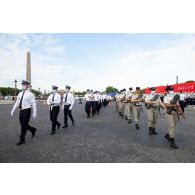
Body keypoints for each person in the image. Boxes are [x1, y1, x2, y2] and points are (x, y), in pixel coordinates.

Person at [11, 80, 37, 145]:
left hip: (27, 110)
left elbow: (33, 103)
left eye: (24, 84)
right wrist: (13, 110)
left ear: (27, 85)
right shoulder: (20, 93)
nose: (23, 86)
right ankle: (32, 129)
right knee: (23, 124)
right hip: (21, 110)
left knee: (23, 126)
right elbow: (17, 102)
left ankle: (22, 139)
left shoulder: (31, 94)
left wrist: (34, 112)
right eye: (22, 84)